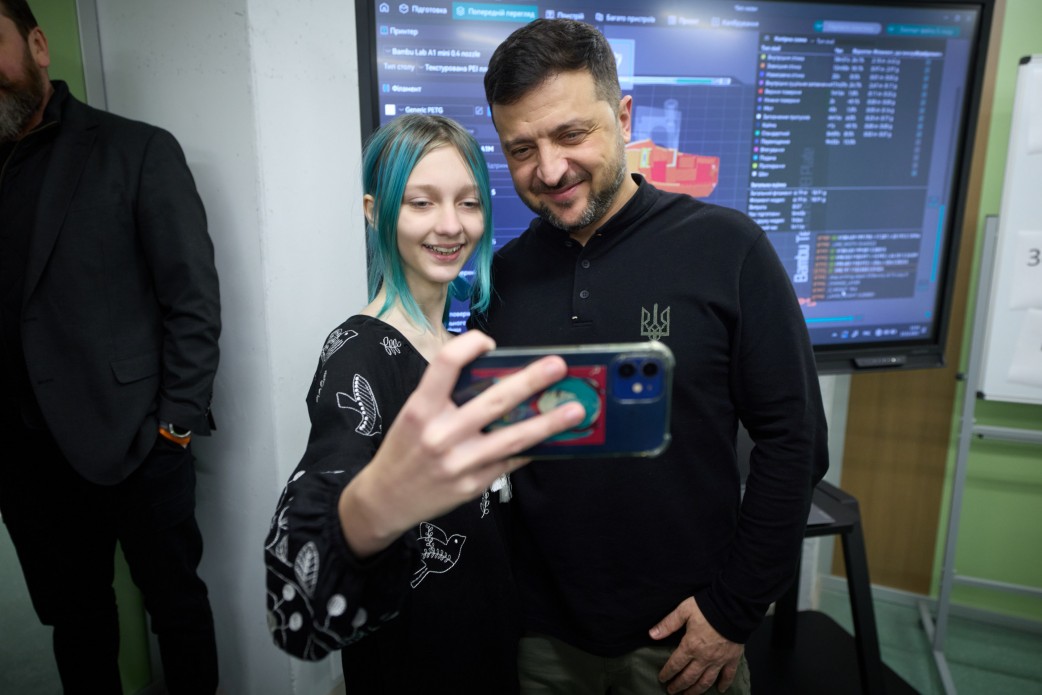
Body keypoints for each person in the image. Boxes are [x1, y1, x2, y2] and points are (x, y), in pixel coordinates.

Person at [473, 19, 830, 695]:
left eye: (571, 134)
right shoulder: (504, 277)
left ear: (624, 116)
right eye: (522, 148)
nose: (549, 169)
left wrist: (733, 610)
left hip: (688, 644)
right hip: (541, 640)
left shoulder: (729, 250)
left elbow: (796, 441)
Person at [263, 114, 585, 693]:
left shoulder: (464, 349)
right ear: (374, 211)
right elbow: (315, 537)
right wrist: (369, 513)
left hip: (492, 643)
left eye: (468, 203)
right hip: (414, 662)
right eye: (421, 202)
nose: (450, 225)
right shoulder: (358, 352)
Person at [0, 1, 222, 693]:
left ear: (38, 45)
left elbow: (192, 299)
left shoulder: (137, 150)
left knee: (177, 610)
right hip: (26, 463)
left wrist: (174, 425)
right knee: (76, 624)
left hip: (137, 444)